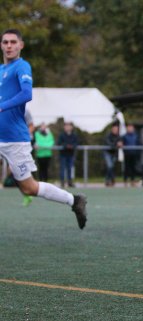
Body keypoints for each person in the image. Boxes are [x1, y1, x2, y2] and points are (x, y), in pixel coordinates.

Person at [0, 29, 87, 228]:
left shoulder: (22, 66)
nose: (9, 46)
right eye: (5, 42)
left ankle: (74, 201)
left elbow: (26, 94)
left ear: (21, 45)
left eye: (13, 42)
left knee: (29, 188)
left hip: (15, 140)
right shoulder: (0, 71)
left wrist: (2, 106)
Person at [57, 121, 79, 188]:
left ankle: (70, 182)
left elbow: (77, 143)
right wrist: (66, 146)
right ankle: (62, 182)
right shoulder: (61, 135)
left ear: (72, 127)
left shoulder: (74, 135)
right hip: (63, 154)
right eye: (66, 126)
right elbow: (59, 143)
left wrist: (72, 146)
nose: (67, 127)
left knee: (70, 168)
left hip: (71, 154)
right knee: (62, 168)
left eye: (69, 126)